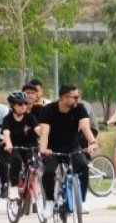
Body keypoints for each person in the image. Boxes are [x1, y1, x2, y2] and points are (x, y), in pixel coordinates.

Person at [37, 84, 99, 214]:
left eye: (78, 96)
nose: (78, 99)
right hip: (51, 148)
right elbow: (44, 133)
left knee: (83, 166)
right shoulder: (48, 110)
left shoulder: (80, 108)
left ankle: (81, 201)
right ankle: (49, 202)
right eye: (75, 97)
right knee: (48, 172)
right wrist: (44, 149)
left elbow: (85, 127)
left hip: (71, 146)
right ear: (63, 98)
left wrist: (92, 142)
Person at [0, 92, 40, 201]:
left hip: (30, 146)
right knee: (16, 160)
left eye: (25, 103)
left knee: (34, 162)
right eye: (20, 104)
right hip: (15, 147)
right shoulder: (7, 119)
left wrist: (44, 136)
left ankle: (34, 184)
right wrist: (8, 144)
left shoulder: (30, 117)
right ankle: (13, 186)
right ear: (13, 106)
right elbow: (6, 134)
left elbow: (37, 130)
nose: (23, 106)